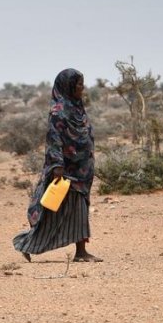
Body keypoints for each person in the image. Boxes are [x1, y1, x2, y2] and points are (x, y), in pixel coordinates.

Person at [13, 68, 102, 262]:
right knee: (54, 213)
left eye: (82, 83)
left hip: (82, 170)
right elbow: (54, 139)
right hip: (67, 170)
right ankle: (26, 243)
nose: (82, 88)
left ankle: (81, 252)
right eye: (79, 84)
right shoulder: (58, 111)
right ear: (68, 86)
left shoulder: (78, 108)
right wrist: (57, 165)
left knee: (80, 210)